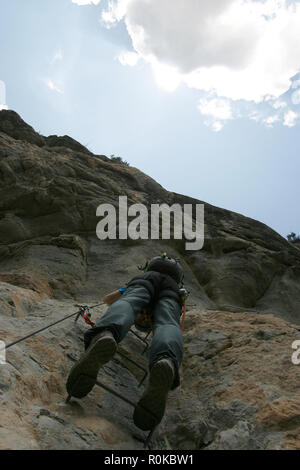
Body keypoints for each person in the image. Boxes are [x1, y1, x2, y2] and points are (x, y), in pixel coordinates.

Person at [66, 253, 186, 431]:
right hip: (173, 292)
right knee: (168, 323)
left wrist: (129, 299)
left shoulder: (145, 275)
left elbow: (108, 300)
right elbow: (176, 323)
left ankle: (106, 333)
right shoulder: (177, 288)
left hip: (143, 282)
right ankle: (166, 359)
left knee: (129, 302)